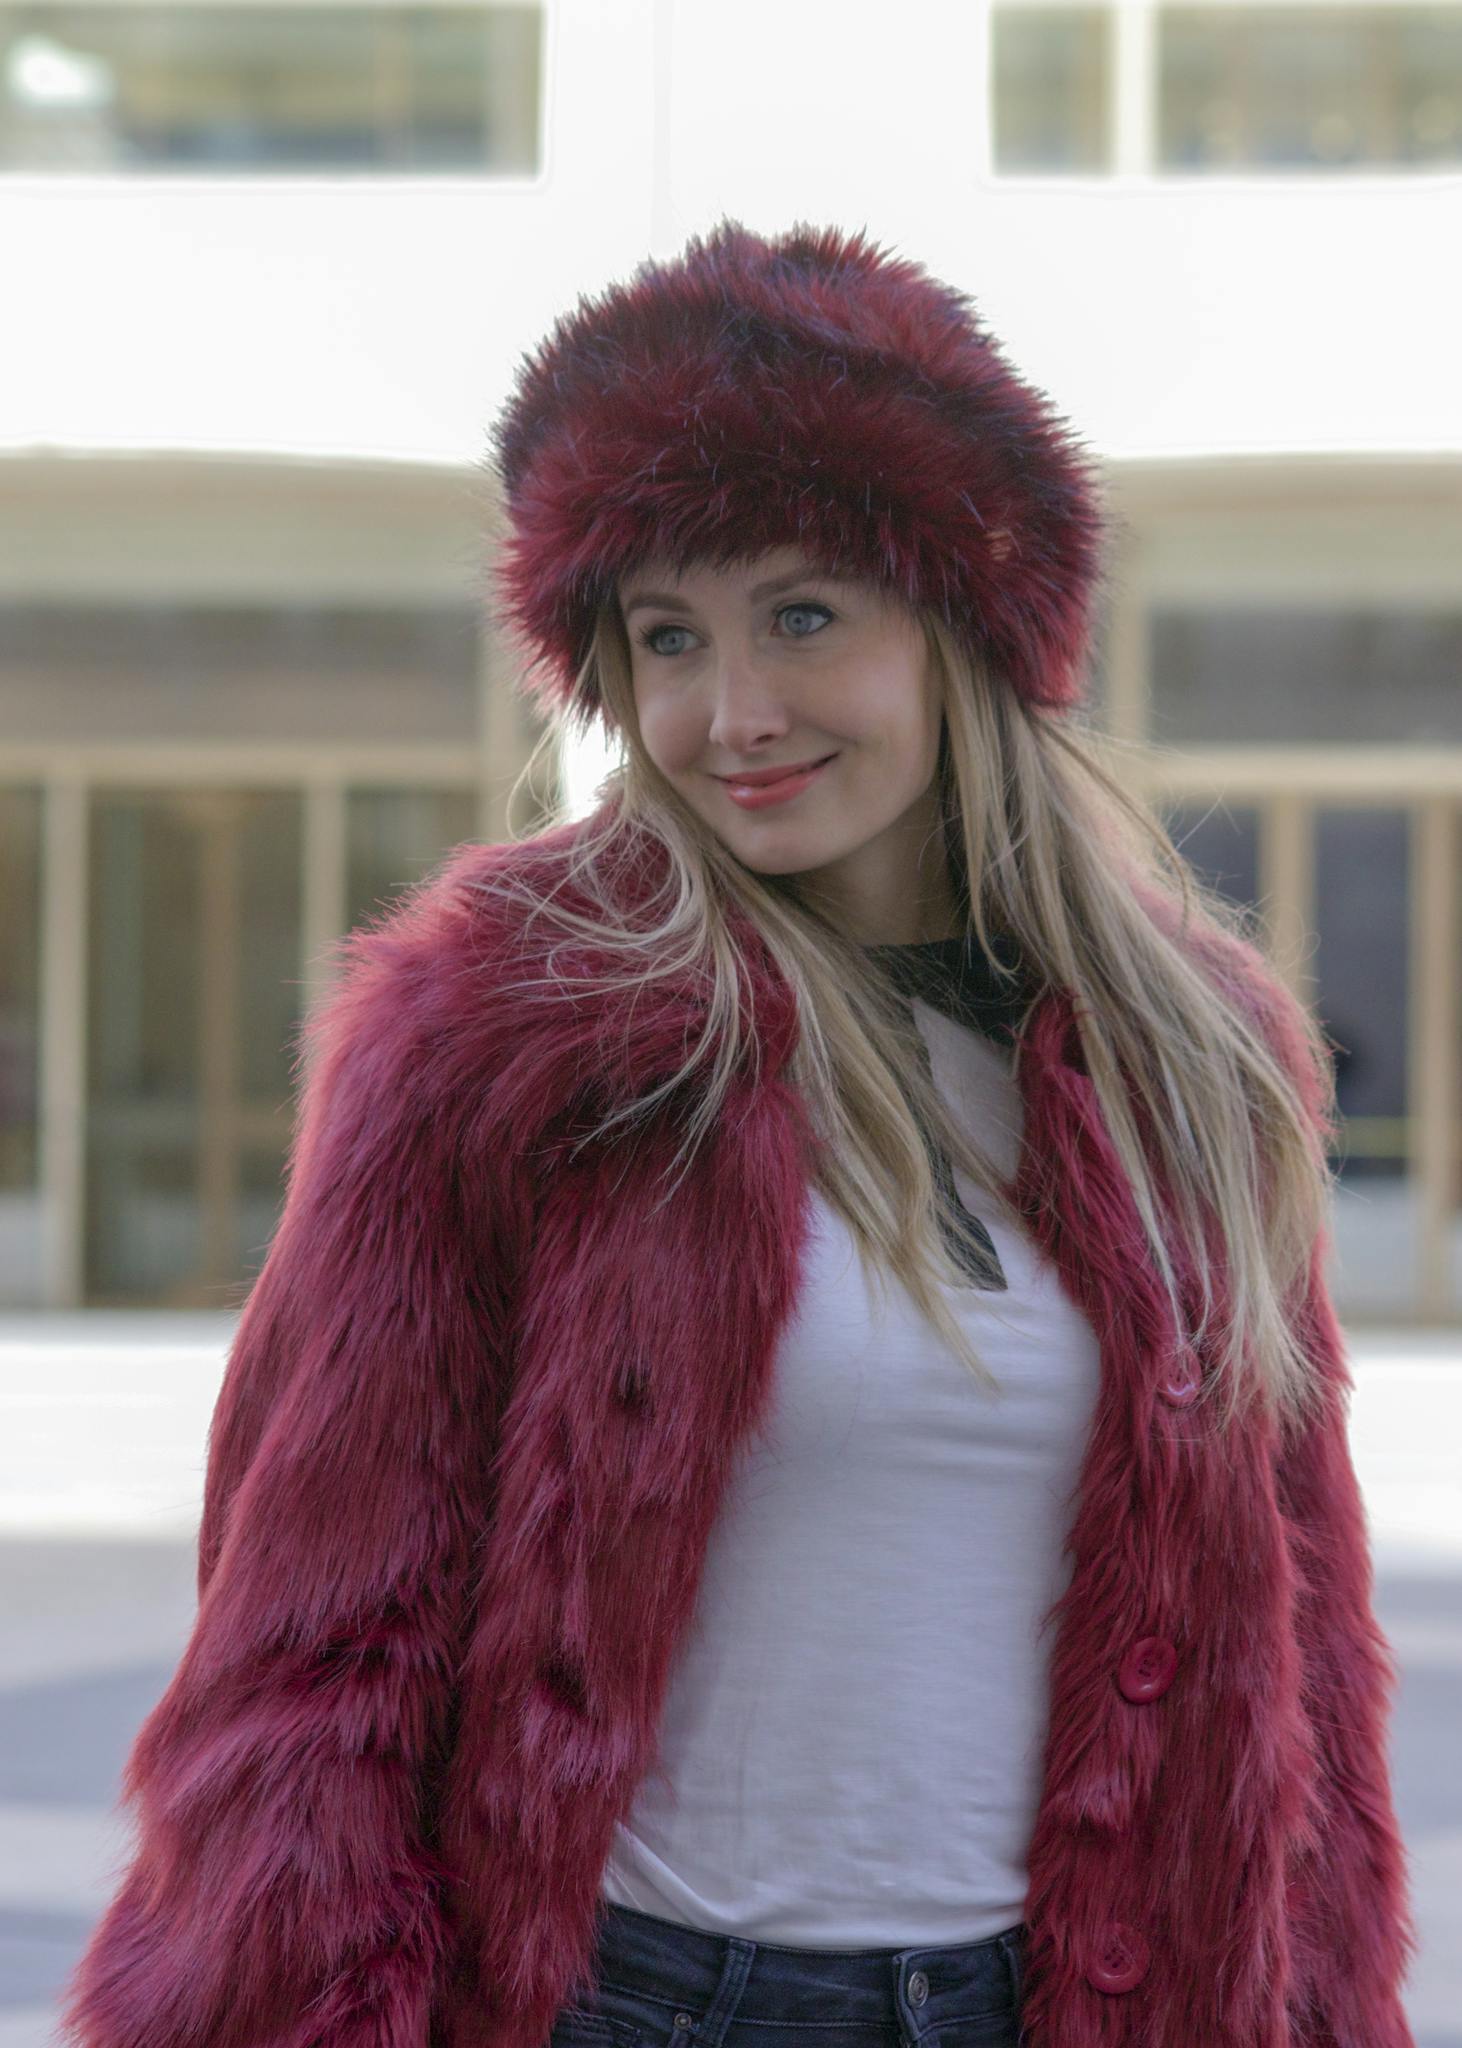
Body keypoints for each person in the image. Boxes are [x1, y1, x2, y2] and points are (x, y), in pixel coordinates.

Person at [58, 218, 1417, 2048]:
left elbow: (1301, 1684)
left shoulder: (1191, 1064)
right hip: (637, 2005)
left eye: (801, 614)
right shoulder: (506, 1030)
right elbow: (312, 1659)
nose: (730, 713)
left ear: (962, 627)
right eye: (665, 637)